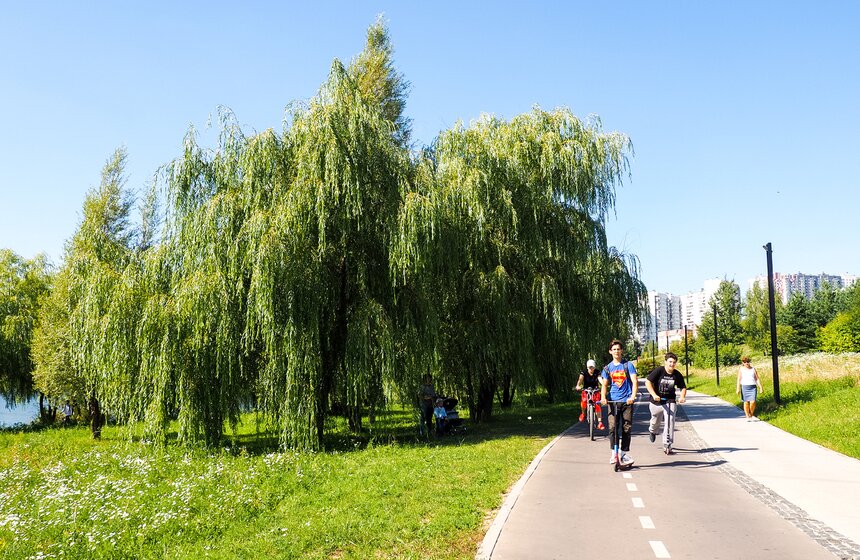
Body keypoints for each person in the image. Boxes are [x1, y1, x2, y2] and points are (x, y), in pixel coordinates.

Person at [600, 339, 637, 465]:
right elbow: (604, 385)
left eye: (618, 349)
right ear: (610, 351)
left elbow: (635, 381)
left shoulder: (628, 365)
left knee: (626, 427)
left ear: (622, 351)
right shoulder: (607, 368)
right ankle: (613, 453)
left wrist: (632, 396)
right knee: (613, 427)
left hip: (627, 401)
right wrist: (603, 397)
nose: (616, 351)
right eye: (614, 349)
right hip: (613, 401)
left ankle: (623, 453)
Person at [645, 352, 687, 454]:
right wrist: (654, 395)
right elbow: (648, 382)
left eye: (674, 362)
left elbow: (683, 387)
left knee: (670, 420)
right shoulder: (659, 371)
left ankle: (667, 444)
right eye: (670, 362)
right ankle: (652, 430)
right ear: (665, 362)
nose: (672, 364)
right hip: (656, 400)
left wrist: (682, 397)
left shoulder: (676, 374)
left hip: (669, 400)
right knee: (655, 419)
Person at [575, 359, 605, 430]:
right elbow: (580, 379)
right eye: (590, 367)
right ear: (587, 367)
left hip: (595, 390)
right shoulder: (584, 372)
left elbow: (600, 379)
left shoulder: (597, 372)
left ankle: (600, 423)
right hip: (586, 390)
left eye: (592, 367)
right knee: (584, 401)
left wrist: (604, 384)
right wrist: (578, 385)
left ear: (594, 367)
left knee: (597, 405)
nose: (591, 369)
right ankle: (583, 414)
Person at [736, 356, 763, 421]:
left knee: (753, 402)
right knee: (746, 402)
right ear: (743, 363)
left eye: (747, 361)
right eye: (745, 362)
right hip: (745, 387)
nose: (746, 363)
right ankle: (747, 416)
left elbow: (757, 379)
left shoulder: (753, 369)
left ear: (749, 362)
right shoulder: (741, 369)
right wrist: (738, 388)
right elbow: (739, 379)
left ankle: (751, 414)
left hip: (753, 387)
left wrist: (761, 387)